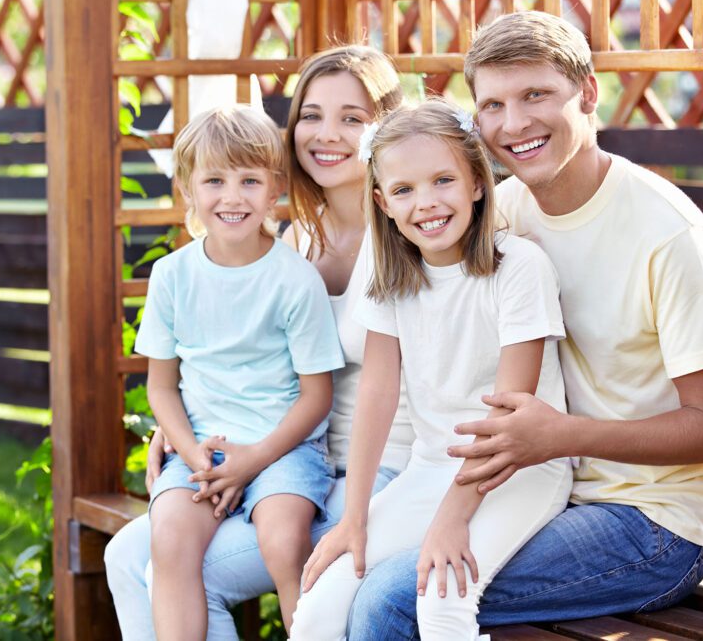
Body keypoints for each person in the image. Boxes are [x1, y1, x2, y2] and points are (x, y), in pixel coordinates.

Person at [347, 11, 703, 638]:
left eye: (536, 95)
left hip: (650, 524)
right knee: (353, 570)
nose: (514, 123)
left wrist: (561, 436)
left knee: (395, 596)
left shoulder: (667, 236)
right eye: (493, 104)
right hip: (540, 488)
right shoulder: (507, 214)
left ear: (587, 93)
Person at [104, 46, 415, 640]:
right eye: (312, 115)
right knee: (127, 555)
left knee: (174, 569)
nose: (328, 134)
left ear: (385, 127)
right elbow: (229, 352)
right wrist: (180, 426)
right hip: (262, 447)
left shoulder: (406, 235)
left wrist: (254, 456)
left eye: (353, 117)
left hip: (369, 469)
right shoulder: (295, 238)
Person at [289, 99, 572, 640]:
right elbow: (376, 394)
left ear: (477, 183)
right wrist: (354, 518)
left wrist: (451, 517)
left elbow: (507, 421)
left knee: (442, 597)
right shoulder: (395, 280)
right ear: (382, 202)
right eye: (403, 190)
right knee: (322, 601)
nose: (427, 203)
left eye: (443, 180)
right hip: (430, 467)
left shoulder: (518, 269)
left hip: (517, 471)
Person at [136, 104, 344, 638]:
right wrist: (194, 455)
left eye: (250, 180)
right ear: (188, 188)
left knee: (283, 539)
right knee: (170, 540)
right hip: (201, 449)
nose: (233, 197)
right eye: (214, 180)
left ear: (274, 187)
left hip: (282, 451)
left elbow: (316, 397)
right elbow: (160, 386)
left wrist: (251, 462)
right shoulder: (171, 277)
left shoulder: (295, 280)